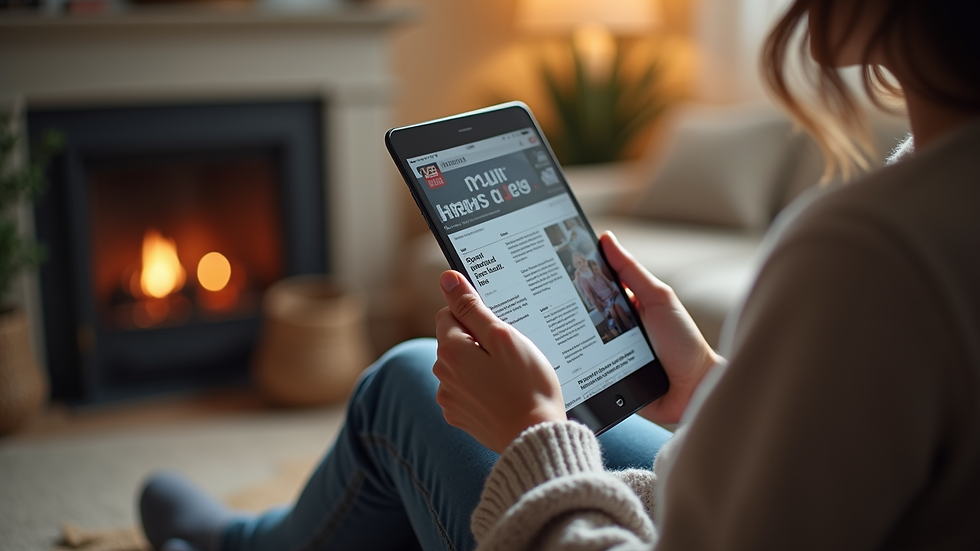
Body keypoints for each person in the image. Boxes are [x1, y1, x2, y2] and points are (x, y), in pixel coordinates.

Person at [139, 0, 980, 549]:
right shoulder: (933, 203)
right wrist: (707, 390)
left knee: (404, 383)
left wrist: (535, 433)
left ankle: (235, 544)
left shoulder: (872, 252)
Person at [571, 252, 635, 334]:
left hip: (611, 295)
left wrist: (612, 288)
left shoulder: (593, 268)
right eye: (579, 262)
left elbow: (605, 280)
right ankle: (622, 329)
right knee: (613, 311)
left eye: (583, 260)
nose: (583, 263)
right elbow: (590, 295)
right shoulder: (583, 280)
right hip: (605, 301)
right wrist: (600, 304)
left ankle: (630, 328)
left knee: (618, 309)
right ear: (576, 266)